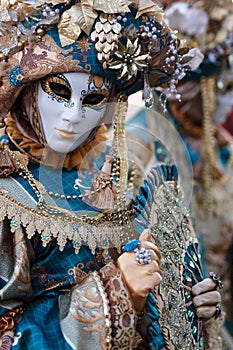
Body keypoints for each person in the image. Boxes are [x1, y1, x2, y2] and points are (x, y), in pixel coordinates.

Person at [0, 1, 223, 349]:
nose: (73, 115)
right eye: (59, 91)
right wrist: (118, 291)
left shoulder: (120, 177)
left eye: (93, 99)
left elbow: (151, 313)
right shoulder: (6, 195)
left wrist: (184, 307)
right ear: (28, 87)